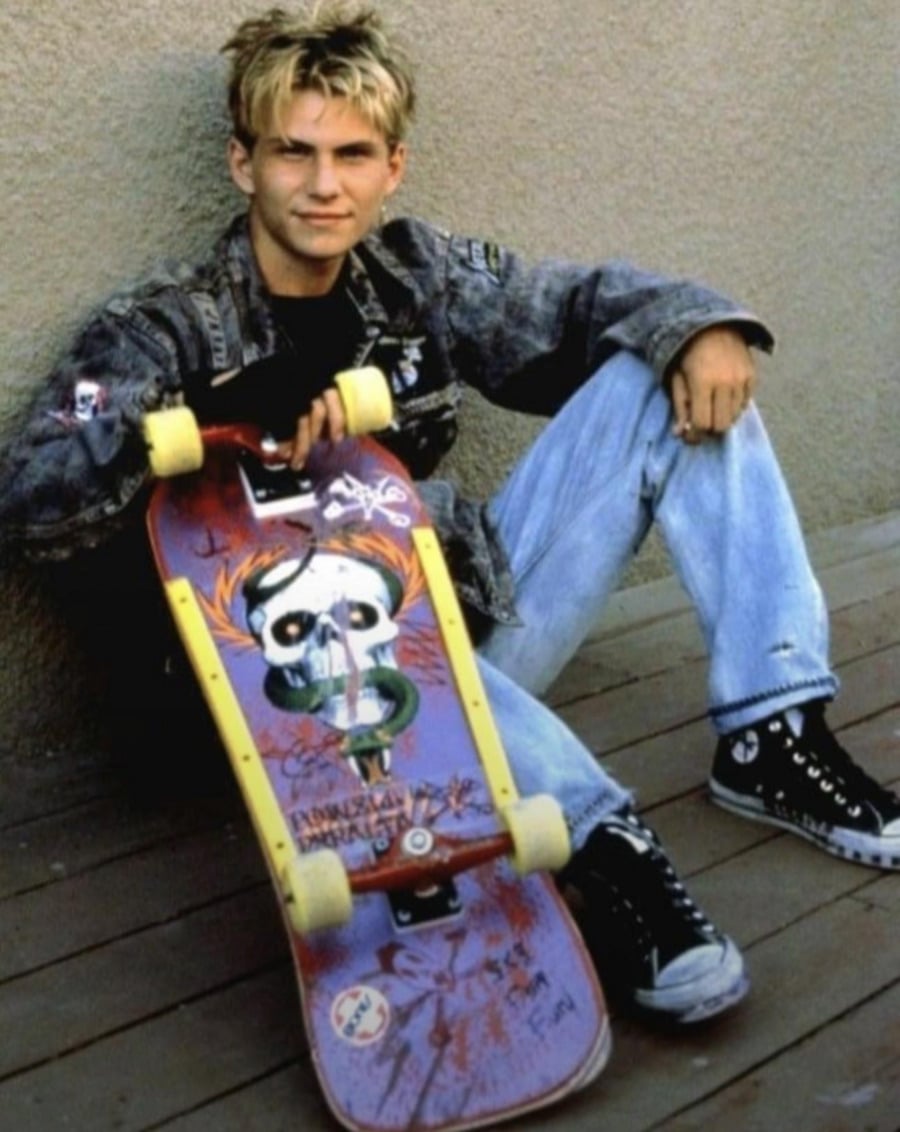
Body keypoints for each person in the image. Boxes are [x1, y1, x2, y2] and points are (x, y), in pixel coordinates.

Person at [1, 1, 897, 1029]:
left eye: (352, 153)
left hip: (462, 609)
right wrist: (209, 415)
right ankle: (602, 847)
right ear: (243, 163)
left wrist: (702, 325)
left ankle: (772, 732)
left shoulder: (414, 278)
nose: (324, 183)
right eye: (294, 152)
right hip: (307, 703)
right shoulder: (166, 323)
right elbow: (32, 495)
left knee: (674, 374)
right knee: (366, 610)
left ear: (394, 166)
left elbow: (578, 303)